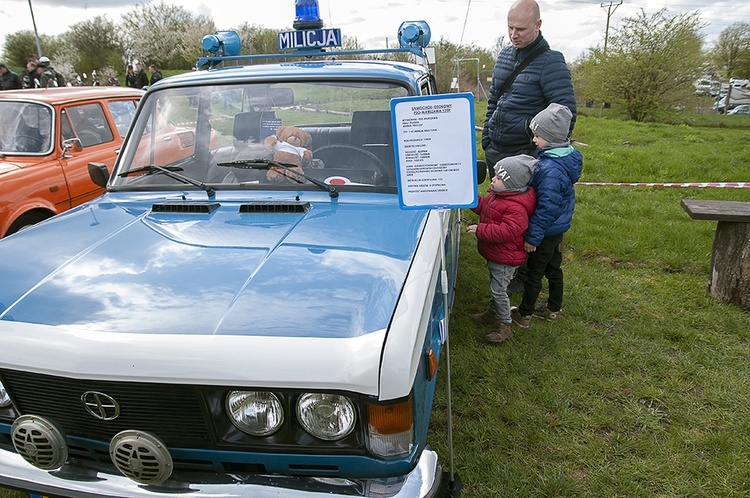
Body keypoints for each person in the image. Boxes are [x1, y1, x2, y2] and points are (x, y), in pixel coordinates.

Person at [510, 103, 583, 329]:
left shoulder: (551, 169)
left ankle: (524, 315)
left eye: (538, 135)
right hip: (558, 228)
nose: (534, 140)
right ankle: (553, 308)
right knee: (554, 268)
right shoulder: (565, 158)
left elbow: (546, 208)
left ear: (550, 138)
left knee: (534, 272)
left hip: (546, 230)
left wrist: (533, 237)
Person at [482, 0, 576, 165]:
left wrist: (547, 156)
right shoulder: (503, 56)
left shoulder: (551, 61)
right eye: (510, 27)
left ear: (537, 25)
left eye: (520, 29)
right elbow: (493, 101)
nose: (513, 34)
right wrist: (487, 141)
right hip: (495, 152)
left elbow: (565, 113)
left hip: (527, 155)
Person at [467, 154, 537, 343]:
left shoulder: (516, 207)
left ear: (511, 184)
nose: (493, 179)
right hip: (497, 254)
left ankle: (504, 325)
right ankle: (493, 312)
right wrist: (470, 199)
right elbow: (484, 207)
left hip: (506, 257)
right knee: (496, 286)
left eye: (498, 177)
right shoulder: (498, 196)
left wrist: (480, 229)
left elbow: (507, 231)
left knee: (499, 290)